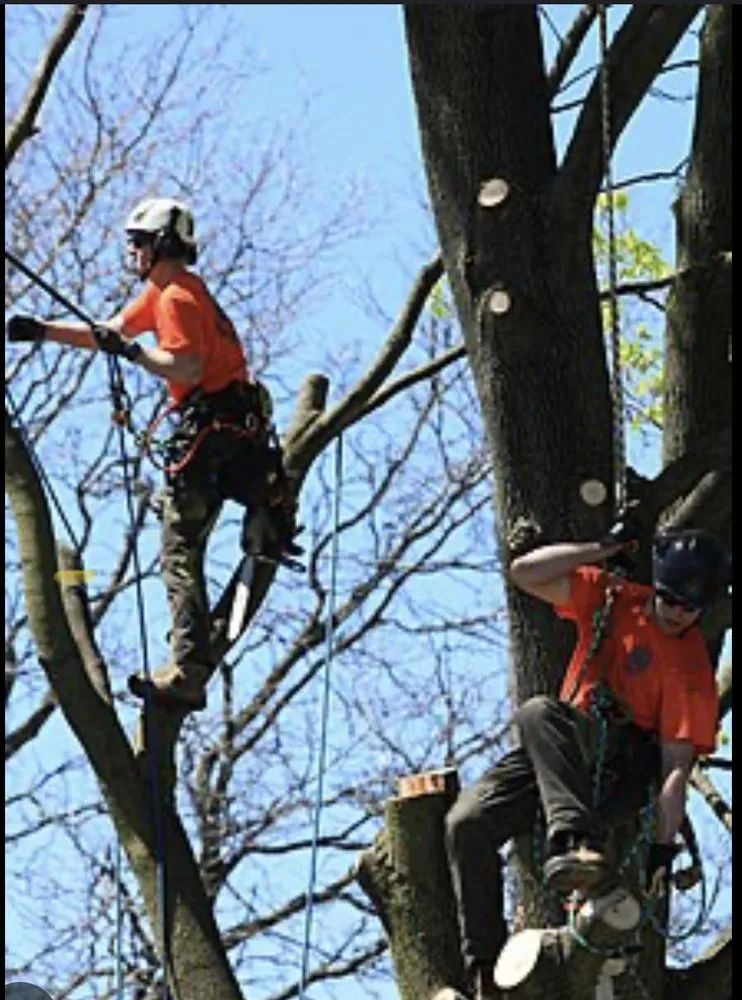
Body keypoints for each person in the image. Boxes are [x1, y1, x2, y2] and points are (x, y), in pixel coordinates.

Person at [7, 196, 299, 711]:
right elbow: (112, 332)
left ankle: (188, 667)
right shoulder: (170, 291)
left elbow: (183, 369)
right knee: (226, 521)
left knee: (179, 547)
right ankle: (267, 514)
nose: (132, 251)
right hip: (237, 433)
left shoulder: (178, 298)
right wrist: (44, 331)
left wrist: (137, 354)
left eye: (138, 242)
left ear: (161, 242)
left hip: (212, 433)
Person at [445, 522, 725, 1000]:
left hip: (619, 770)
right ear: (657, 584)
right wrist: (602, 549)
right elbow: (525, 572)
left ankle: (577, 842)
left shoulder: (689, 666)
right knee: (465, 824)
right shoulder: (616, 599)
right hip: (561, 751)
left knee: (538, 712)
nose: (679, 613)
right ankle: (485, 972)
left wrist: (661, 848)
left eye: (692, 607)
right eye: (672, 598)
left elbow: (675, 765)